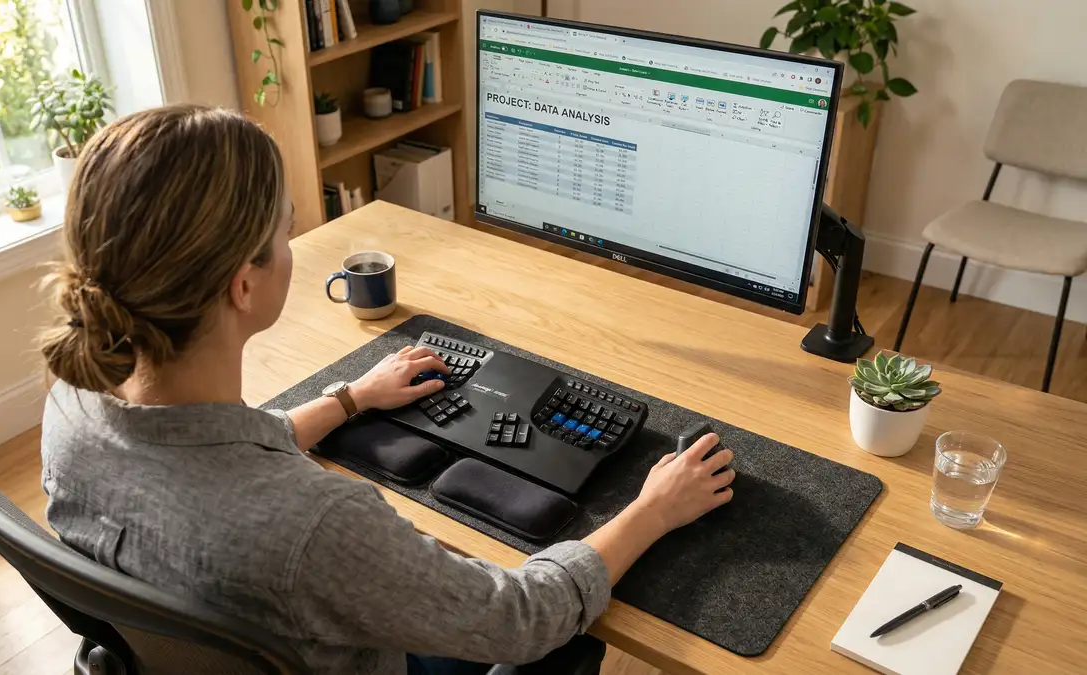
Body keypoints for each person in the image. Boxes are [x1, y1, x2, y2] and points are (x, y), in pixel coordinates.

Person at [38, 105, 736, 675]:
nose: (293, 242)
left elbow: (223, 456)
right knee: (577, 633)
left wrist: (349, 398)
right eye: (284, 231)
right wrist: (652, 508)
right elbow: (522, 615)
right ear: (242, 285)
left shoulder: (71, 408)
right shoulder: (313, 524)